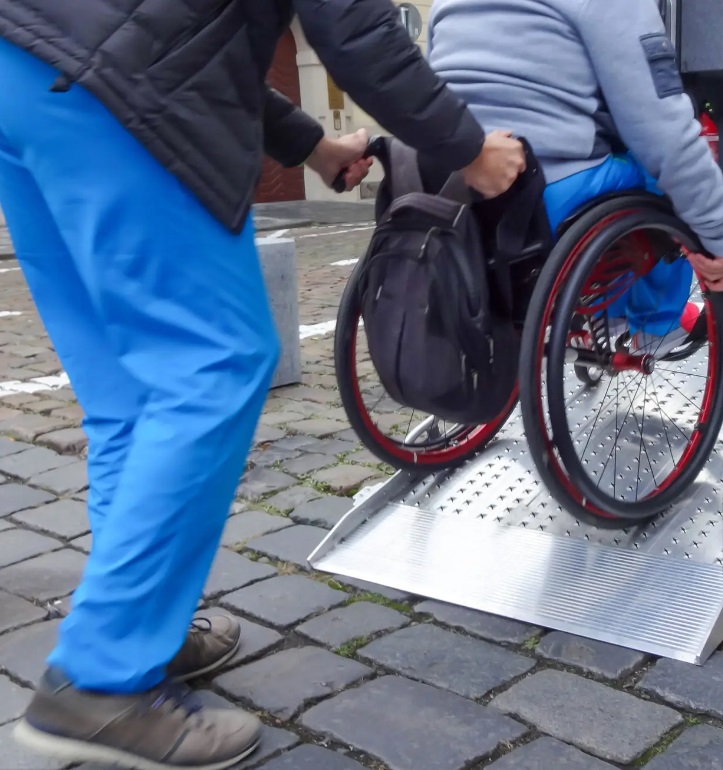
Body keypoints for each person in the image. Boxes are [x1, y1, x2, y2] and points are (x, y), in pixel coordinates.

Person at [0, 1, 528, 769]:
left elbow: (191, 28)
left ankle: (140, 617)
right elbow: (352, 28)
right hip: (115, 96)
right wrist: (469, 149)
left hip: (23, 70)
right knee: (209, 365)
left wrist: (309, 143)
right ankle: (101, 681)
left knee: (128, 396)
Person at [427, 0, 723, 354]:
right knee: (665, 173)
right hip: (542, 197)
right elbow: (665, 133)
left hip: (452, 191)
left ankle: (603, 314)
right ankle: (657, 322)